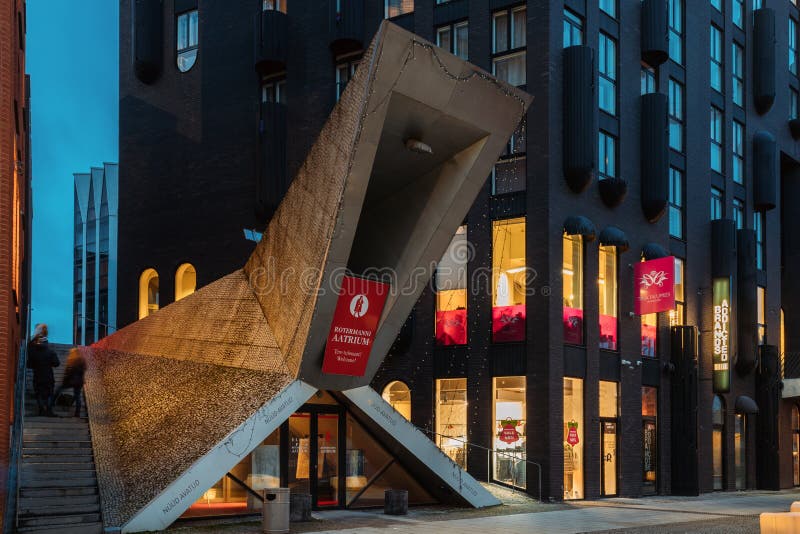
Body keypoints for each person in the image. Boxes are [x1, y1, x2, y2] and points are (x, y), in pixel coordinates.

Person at [26, 324, 59, 417]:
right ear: (46, 343)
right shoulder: (51, 352)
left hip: (37, 375)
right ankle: (48, 410)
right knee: (49, 393)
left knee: (38, 393)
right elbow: (57, 363)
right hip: (48, 376)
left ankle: (41, 410)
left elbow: (29, 365)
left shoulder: (33, 352)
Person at [54, 348, 86, 417]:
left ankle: (52, 402)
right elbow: (84, 369)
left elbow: (68, 371)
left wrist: (64, 381)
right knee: (77, 396)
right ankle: (77, 413)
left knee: (59, 389)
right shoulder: (82, 360)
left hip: (71, 381)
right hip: (79, 382)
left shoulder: (71, 360)